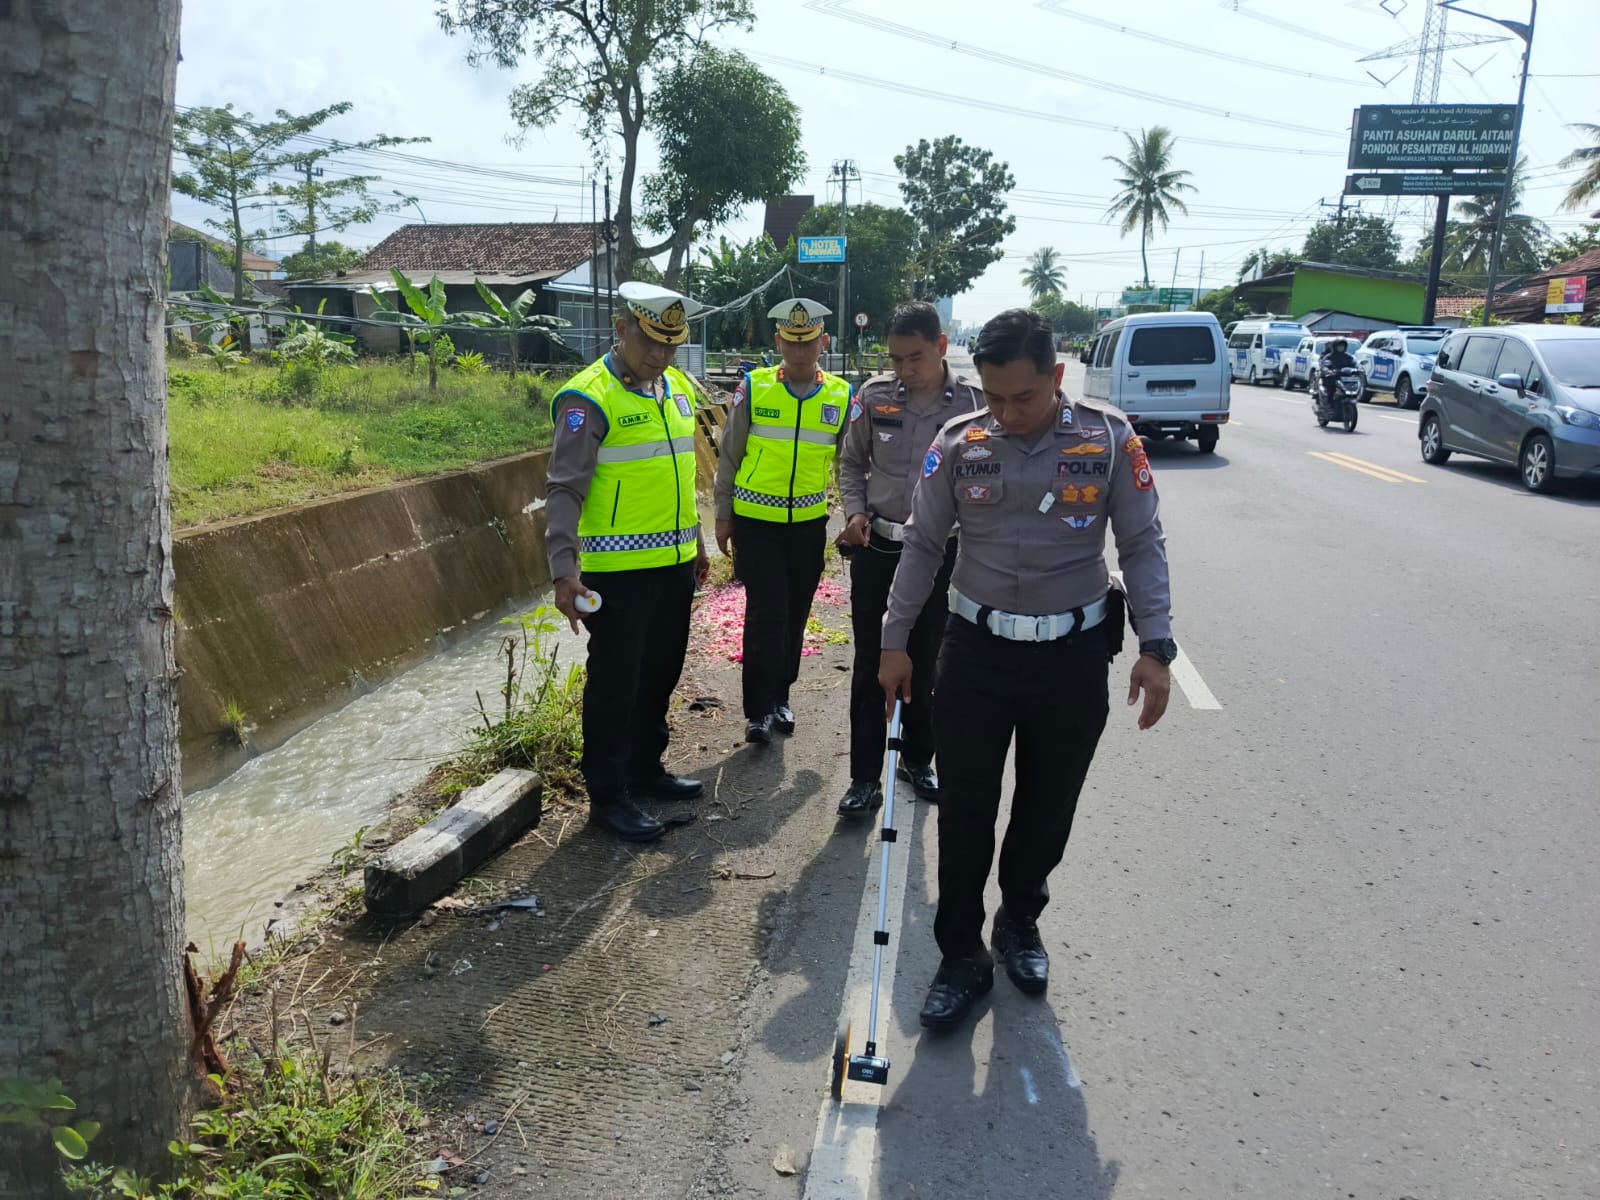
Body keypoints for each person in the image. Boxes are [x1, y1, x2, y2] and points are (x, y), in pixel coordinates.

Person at [880, 308, 1177, 1030]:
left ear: (1057, 376)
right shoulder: (960, 442)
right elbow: (922, 544)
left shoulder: (1109, 440)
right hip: (976, 653)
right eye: (993, 397)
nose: (1007, 414)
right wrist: (894, 639)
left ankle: (1019, 919)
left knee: (1047, 806)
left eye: (1024, 397)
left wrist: (1156, 646)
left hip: (1072, 658)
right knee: (966, 812)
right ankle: (961, 955)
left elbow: (1142, 544)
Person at [544, 281, 710, 844]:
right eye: (650, 342)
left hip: (674, 564)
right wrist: (563, 571)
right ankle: (608, 795)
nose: (661, 355)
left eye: (671, 345)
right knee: (616, 683)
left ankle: (644, 767)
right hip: (617, 573)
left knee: (660, 672)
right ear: (621, 330)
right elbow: (564, 489)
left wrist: (698, 543)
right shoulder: (587, 398)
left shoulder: (675, 388)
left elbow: (680, 475)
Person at [835, 300, 984, 817]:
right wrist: (855, 511)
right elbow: (851, 463)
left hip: (944, 553)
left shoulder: (974, 406)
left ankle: (919, 758)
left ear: (941, 347)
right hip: (879, 546)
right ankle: (863, 778)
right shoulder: (874, 397)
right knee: (870, 662)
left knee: (927, 658)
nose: (903, 369)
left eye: (914, 357)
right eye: (895, 359)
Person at [714, 298, 852, 743]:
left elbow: (849, 464)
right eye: (791, 342)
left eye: (807, 342)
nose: (799, 351)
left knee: (795, 614)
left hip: (808, 526)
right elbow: (729, 455)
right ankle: (757, 710)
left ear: (823, 342)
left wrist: (854, 514)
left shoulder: (840, 395)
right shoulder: (754, 388)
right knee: (766, 613)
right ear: (778, 342)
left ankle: (780, 696)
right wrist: (723, 515)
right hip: (756, 524)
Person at [1317, 337, 1357, 401]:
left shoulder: (1349, 357)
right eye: (1339, 346)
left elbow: (1354, 365)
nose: (1341, 348)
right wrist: (1328, 371)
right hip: (1332, 378)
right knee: (1330, 390)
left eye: (1342, 346)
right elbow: (1325, 366)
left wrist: (1358, 370)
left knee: (1353, 387)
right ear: (1334, 346)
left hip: (1345, 379)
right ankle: (1329, 403)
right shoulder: (1329, 357)